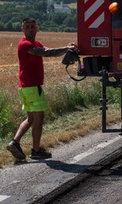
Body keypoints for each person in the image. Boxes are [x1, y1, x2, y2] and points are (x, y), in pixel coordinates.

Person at [6, 17, 78, 162]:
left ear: (37, 28)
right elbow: (45, 53)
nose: (31, 29)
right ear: (22, 29)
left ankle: (15, 142)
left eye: (33, 26)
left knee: (31, 118)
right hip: (32, 87)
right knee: (38, 119)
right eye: (27, 27)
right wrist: (66, 48)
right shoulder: (25, 45)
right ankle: (36, 150)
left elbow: (49, 51)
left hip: (26, 87)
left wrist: (66, 49)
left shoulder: (35, 43)